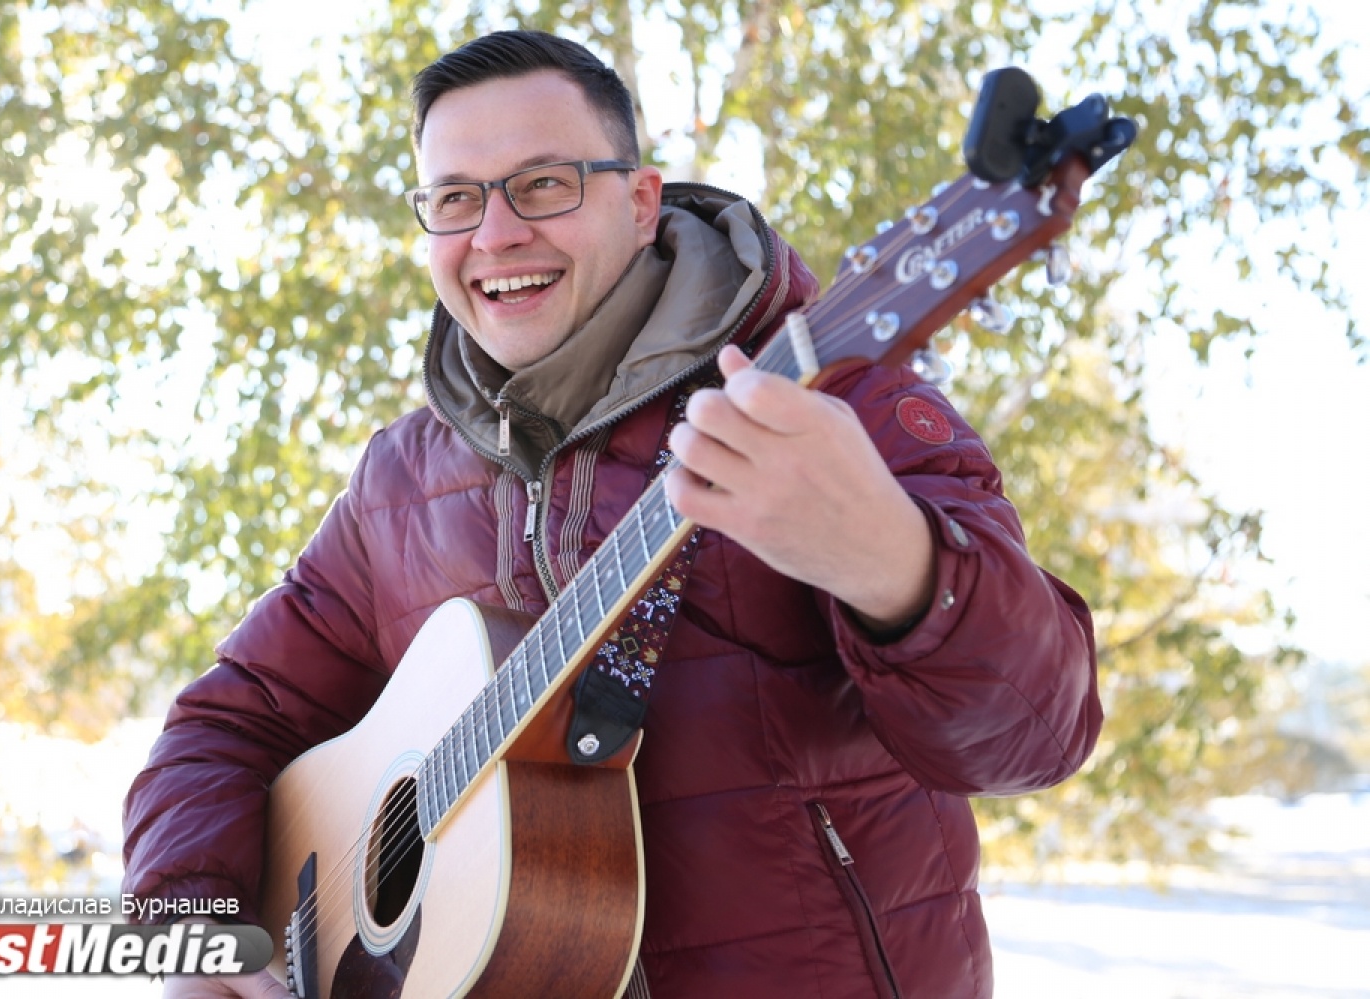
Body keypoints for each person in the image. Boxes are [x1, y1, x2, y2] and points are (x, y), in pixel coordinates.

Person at [123, 29, 1102, 999]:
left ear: (640, 202)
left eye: (544, 184)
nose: (497, 235)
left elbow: (1035, 737)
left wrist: (897, 566)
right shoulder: (398, 485)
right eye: (454, 199)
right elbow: (224, 724)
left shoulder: (829, 410)